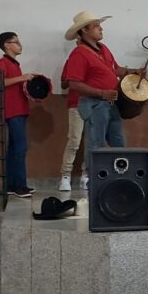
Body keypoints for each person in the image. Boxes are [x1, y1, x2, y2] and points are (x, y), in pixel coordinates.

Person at [63, 11, 145, 172]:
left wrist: (134, 71)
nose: (101, 29)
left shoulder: (104, 49)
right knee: (96, 143)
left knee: (118, 142)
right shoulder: (79, 53)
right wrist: (101, 93)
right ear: (84, 30)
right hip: (94, 103)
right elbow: (73, 83)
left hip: (110, 102)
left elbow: (116, 69)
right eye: (96, 26)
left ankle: (120, 175)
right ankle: (92, 178)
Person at [0, 32, 35, 198]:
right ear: (7, 45)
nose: (20, 45)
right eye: (16, 42)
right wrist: (21, 78)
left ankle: (11, 185)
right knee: (20, 147)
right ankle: (20, 185)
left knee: (13, 148)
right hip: (12, 111)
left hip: (19, 109)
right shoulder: (2, 62)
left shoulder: (14, 64)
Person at [58, 39, 87, 192]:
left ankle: (86, 174)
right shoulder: (73, 59)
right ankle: (65, 176)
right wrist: (72, 77)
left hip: (94, 104)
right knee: (74, 140)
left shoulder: (96, 58)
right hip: (76, 103)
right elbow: (63, 83)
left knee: (91, 141)